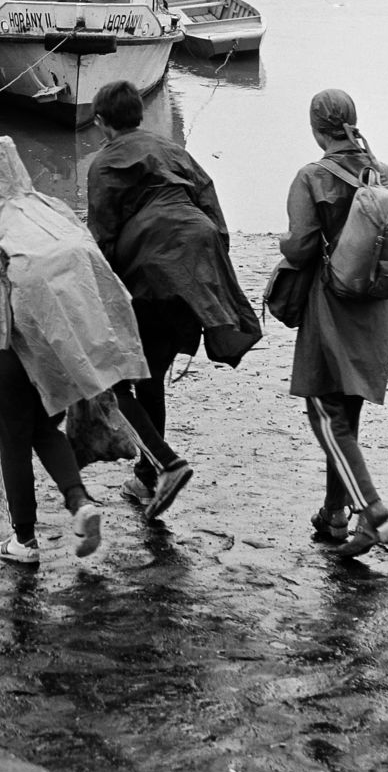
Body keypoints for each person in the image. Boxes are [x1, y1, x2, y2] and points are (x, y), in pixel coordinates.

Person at [86, 79, 261, 518]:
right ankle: (146, 479)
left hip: (151, 272)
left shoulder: (105, 164)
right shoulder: (173, 150)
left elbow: (102, 236)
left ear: (102, 124)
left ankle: (166, 463)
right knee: (152, 375)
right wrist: (210, 264)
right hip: (195, 263)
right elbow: (210, 203)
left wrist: (100, 297)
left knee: (116, 380)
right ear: (139, 116)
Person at [0, 139, 125, 564]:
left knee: (14, 441)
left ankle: (23, 541)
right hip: (56, 346)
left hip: (13, 350)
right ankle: (79, 502)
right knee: (45, 430)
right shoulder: (48, 210)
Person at [281, 89, 388, 558]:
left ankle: (371, 511)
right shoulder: (385, 172)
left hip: (332, 306)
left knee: (323, 412)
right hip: (377, 307)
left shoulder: (312, 176)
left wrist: (283, 244)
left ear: (317, 129)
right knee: (346, 415)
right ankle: (335, 515)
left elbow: (300, 248)